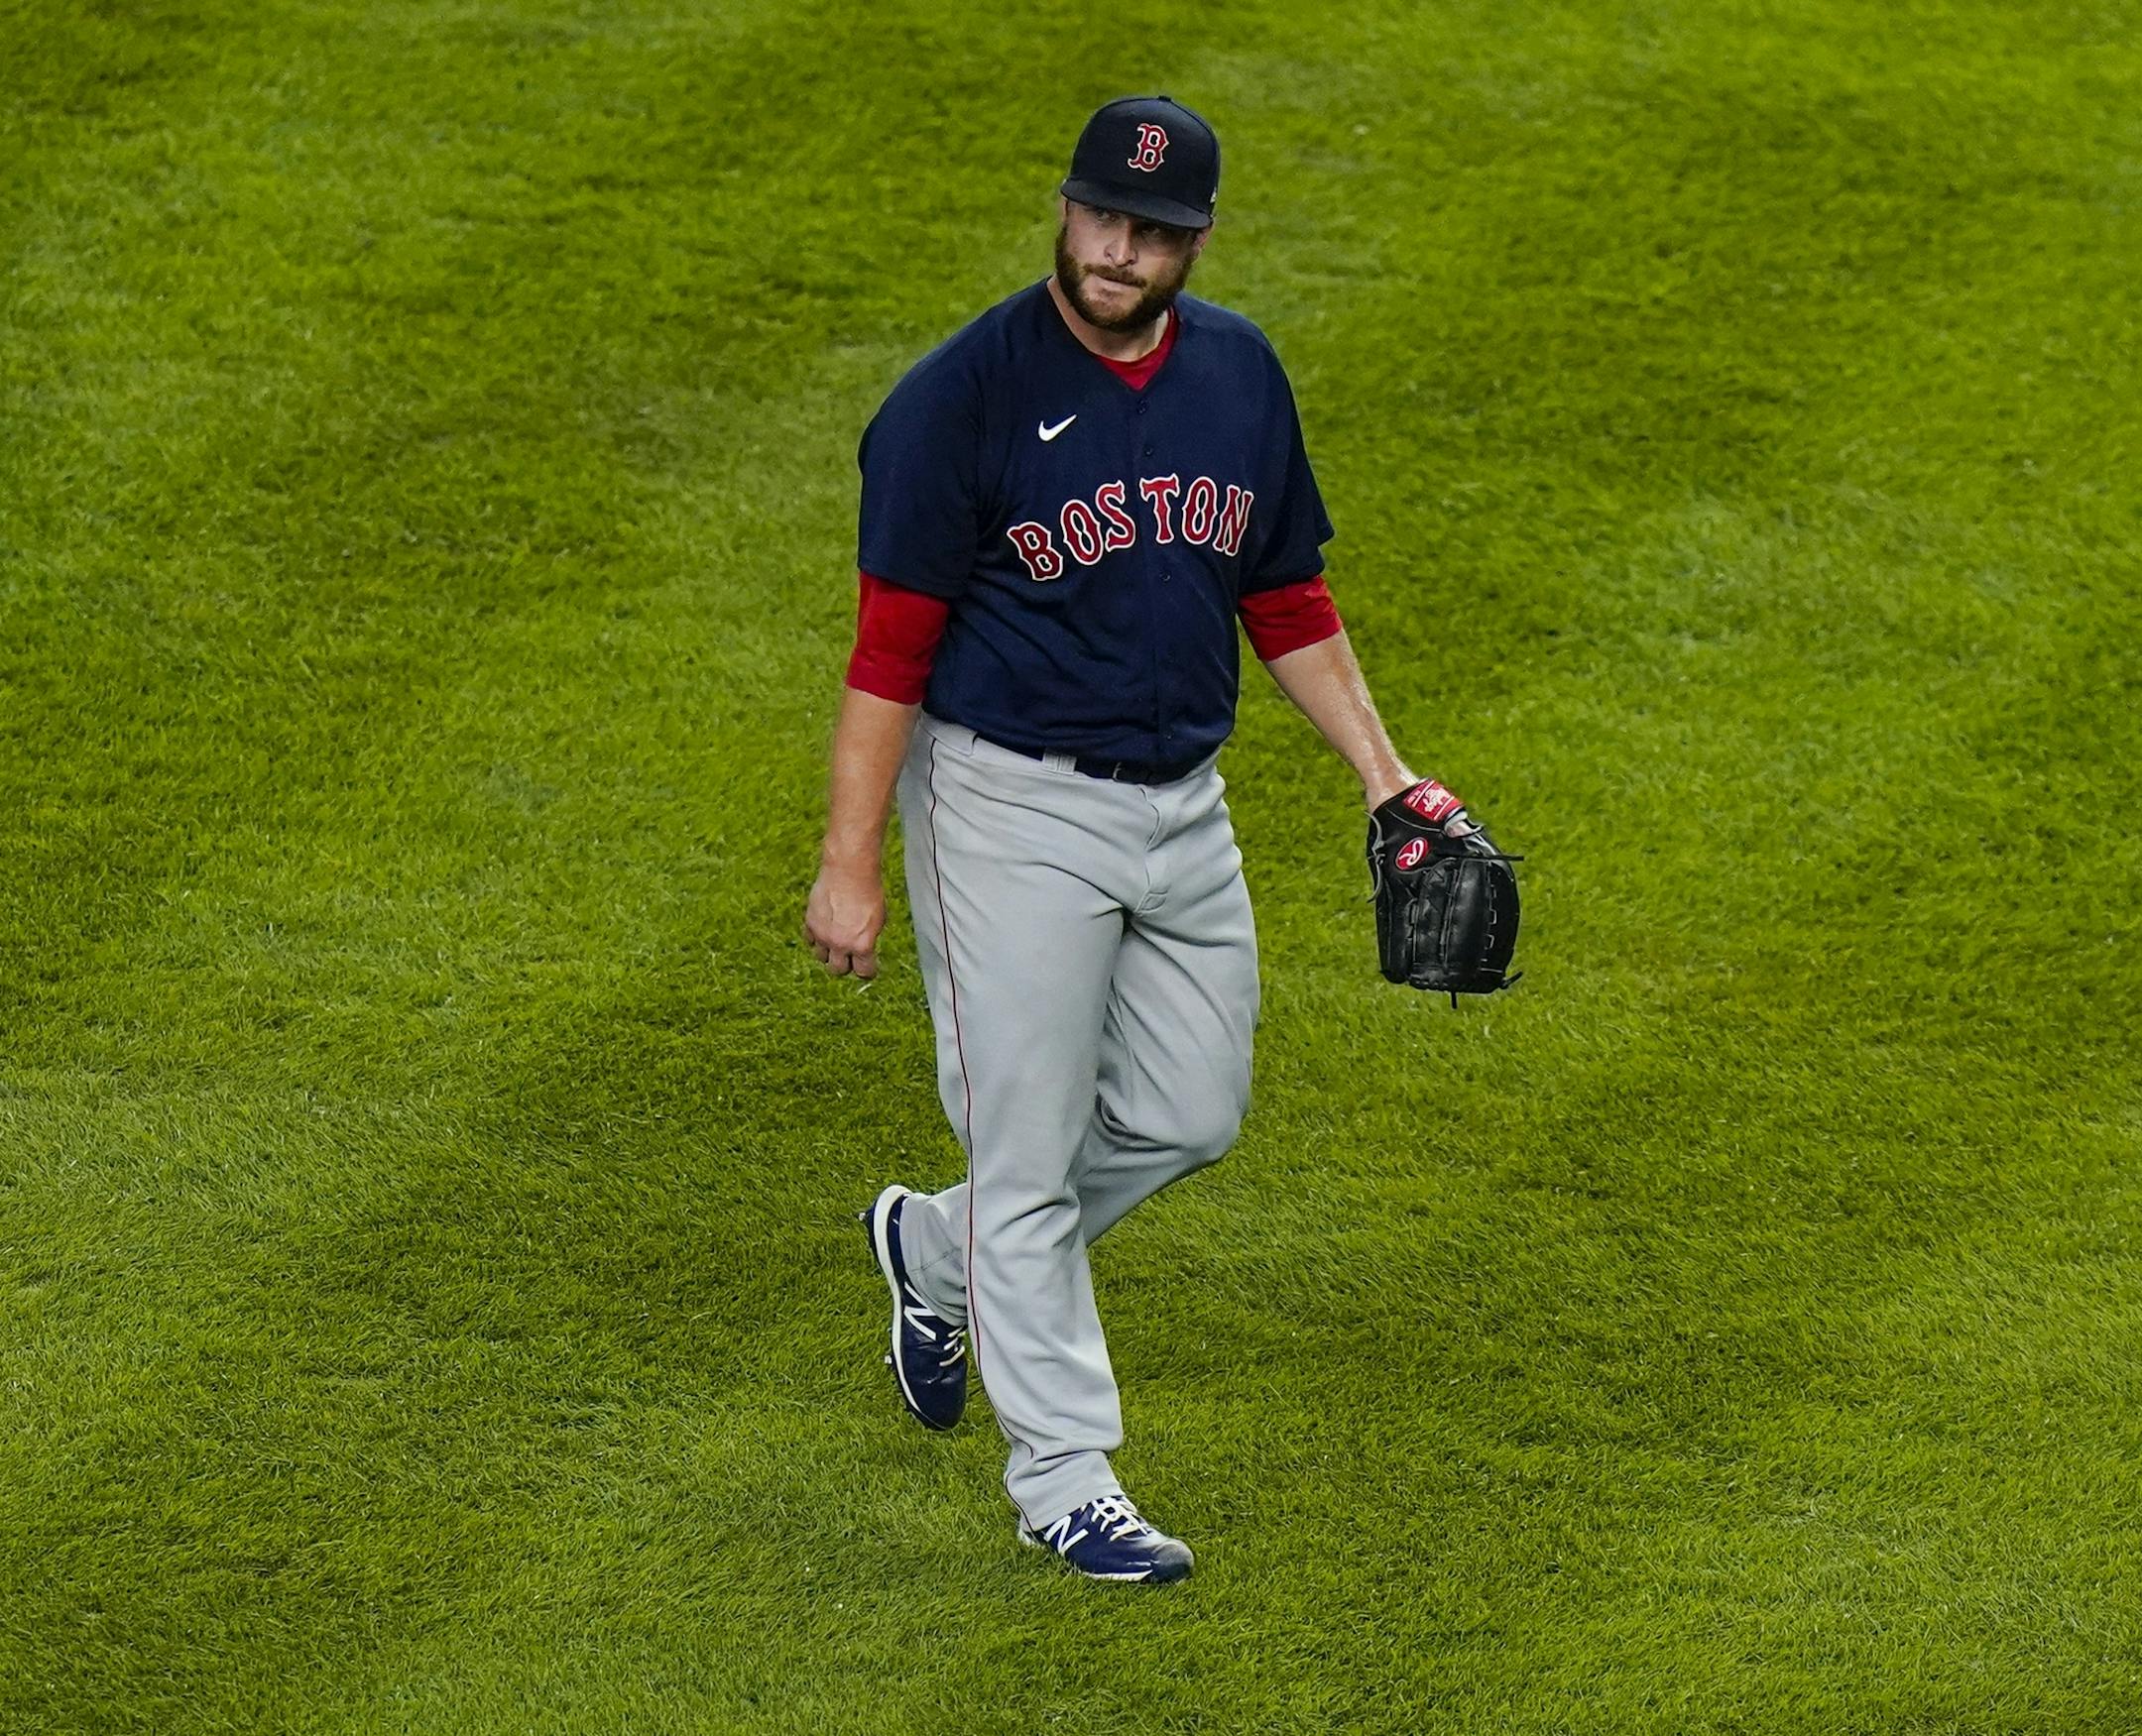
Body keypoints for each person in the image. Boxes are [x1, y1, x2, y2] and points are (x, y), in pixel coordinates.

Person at [805, 95, 1444, 1585]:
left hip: (1181, 804)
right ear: (1067, 210)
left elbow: (1284, 596)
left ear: (1196, 243)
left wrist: (1386, 777)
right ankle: (1064, 1478)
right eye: (1103, 218)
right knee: (1028, 1157)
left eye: (1154, 232)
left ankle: (932, 1253)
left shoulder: (1237, 377)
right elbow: (888, 651)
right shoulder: (956, 401)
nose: (1120, 251)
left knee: (1190, 1112)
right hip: (1005, 807)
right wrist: (852, 859)